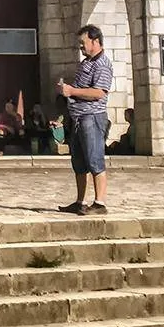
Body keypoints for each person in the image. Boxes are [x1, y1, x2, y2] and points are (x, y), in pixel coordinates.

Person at [56, 24, 114, 215]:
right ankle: (80, 201)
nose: (80, 47)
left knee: (95, 159)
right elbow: (81, 89)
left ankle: (100, 202)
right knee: (79, 162)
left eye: (83, 42)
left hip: (92, 117)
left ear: (95, 41)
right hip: (78, 117)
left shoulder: (102, 64)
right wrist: (66, 91)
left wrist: (72, 91)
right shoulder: (86, 62)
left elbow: (99, 92)